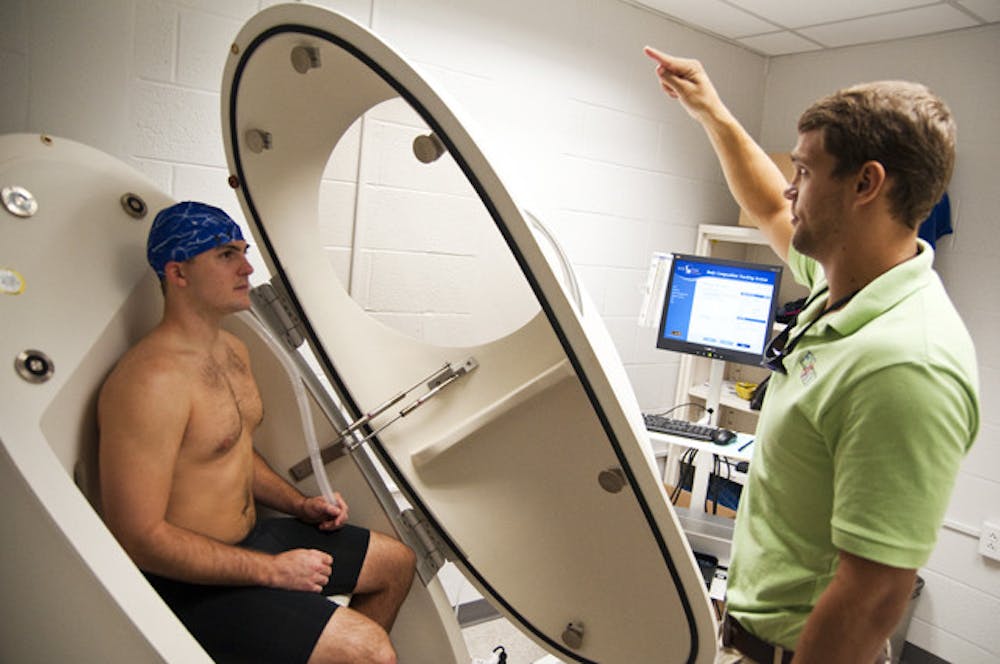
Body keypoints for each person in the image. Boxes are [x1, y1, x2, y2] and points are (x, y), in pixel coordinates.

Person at [643, 47, 979, 663]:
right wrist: (712, 112)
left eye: (803, 171)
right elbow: (771, 205)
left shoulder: (907, 362)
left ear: (865, 183)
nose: (790, 188)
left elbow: (874, 594)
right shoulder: (839, 283)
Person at [98, 201, 416, 664]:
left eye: (244, 252)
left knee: (397, 564)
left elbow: (233, 452)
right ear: (179, 273)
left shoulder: (232, 349)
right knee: (370, 652)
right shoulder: (150, 383)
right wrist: (272, 572)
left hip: (251, 541)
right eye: (226, 255)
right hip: (186, 583)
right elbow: (139, 539)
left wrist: (298, 504)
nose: (247, 267)